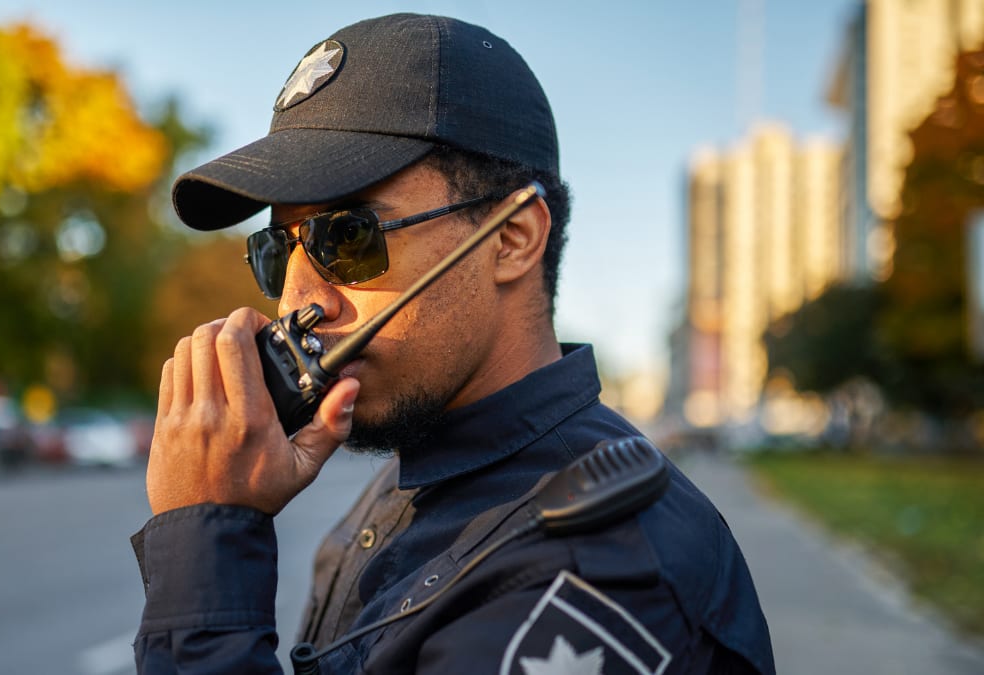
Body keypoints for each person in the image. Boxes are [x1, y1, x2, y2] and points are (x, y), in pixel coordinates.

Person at [131, 13, 775, 674]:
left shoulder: (596, 579)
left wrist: (205, 558)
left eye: (346, 237)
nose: (297, 299)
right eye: (276, 251)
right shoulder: (416, 470)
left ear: (512, 238)